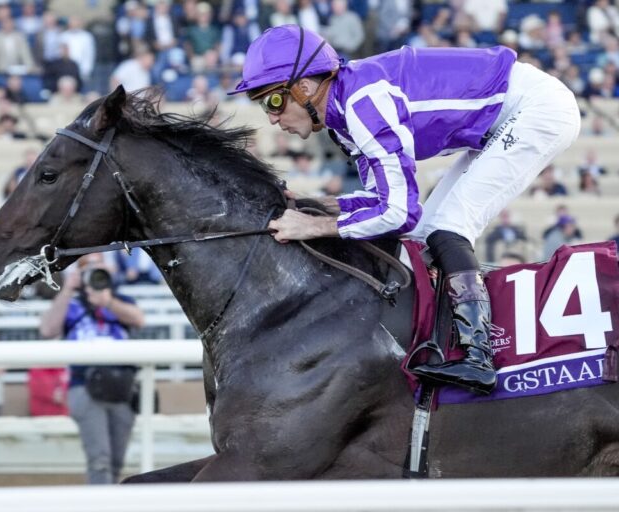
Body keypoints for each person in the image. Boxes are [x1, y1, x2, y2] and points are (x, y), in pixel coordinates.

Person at [230, 25, 581, 395]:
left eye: (273, 101)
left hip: (535, 109)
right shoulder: (343, 118)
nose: (271, 118)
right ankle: (444, 343)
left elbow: (399, 213)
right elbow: (381, 201)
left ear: (304, 87)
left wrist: (316, 227)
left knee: (448, 228)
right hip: (500, 118)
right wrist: (317, 206)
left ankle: (478, 356)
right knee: (426, 234)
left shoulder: (362, 103)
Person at [39, 264, 144, 484]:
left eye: (100, 268)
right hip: (85, 385)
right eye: (89, 269)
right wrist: (67, 289)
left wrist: (108, 302)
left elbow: (138, 320)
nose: (96, 274)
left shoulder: (121, 300)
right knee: (100, 459)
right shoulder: (72, 304)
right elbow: (48, 330)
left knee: (116, 461)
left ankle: (108, 499)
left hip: (122, 386)